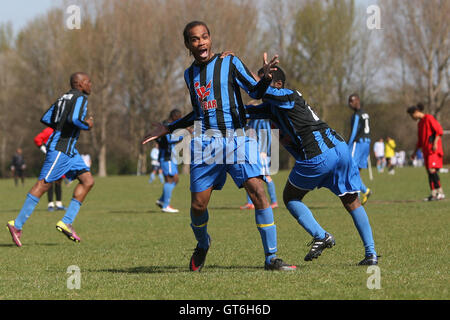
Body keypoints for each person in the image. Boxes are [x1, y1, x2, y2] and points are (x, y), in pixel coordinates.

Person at [142, 21, 295, 272]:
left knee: (258, 191)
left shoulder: (230, 62)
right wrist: (169, 127)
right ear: (188, 45)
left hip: (238, 138)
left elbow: (255, 90)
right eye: (194, 39)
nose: (200, 42)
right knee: (198, 205)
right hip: (205, 141)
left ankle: (271, 258)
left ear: (210, 39)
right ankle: (203, 243)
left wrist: (266, 78)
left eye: (204, 37)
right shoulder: (189, 74)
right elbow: (197, 112)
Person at [245, 66, 378, 265]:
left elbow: (259, 92)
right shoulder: (271, 107)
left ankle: (321, 235)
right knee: (351, 200)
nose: (258, 86)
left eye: (265, 81)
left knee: (290, 197)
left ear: (278, 84)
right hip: (339, 148)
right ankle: (371, 254)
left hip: (319, 154)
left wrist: (235, 62)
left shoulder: (289, 95)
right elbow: (243, 111)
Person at [6, 72, 95, 247]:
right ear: (80, 84)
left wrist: (61, 126)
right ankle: (16, 225)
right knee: (44, 184)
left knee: (88, 181)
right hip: (60, 149)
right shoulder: (80, 97)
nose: (91, 84)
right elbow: (75, 119)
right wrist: (88, 125)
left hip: (70, 151)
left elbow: (46, 118)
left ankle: (66, 222)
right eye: (88, 82)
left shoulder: (63, 97)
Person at [407, 104, 445, 201]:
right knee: (429, 171)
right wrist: (414, 152)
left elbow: (439, 131)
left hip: (433, 150)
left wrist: (435, 143)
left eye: (412, 116)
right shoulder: (420, 124)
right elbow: (420, 141)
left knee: (432, 170)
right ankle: (434, 194)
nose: (412, 118)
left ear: (415, 112)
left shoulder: (429, 118)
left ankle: (440, 192)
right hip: (426, 151)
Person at [155, 109, 184, 213]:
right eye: (179, 118)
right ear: (175, 117)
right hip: (166, 157)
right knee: (170, 180)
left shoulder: (167, 125)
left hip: (170, 157)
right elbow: (169, 139)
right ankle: (166, 206)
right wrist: (182, 136)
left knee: (175, 179)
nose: (180, 120)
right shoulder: (166, 125)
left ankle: (162, 200)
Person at [347, 94, 372, 205]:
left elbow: (353, 132)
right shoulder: (366, 114)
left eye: (351, 101)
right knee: (356, 171)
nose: (350, 104)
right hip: (367, 143)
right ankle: (364, 191)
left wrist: (348, 146)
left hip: (359, 143)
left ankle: (360, 193)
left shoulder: (357, 115)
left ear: (357, 101)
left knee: (350, 169)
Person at [33, 127, 65, 211]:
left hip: (59, 158)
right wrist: (44, 150)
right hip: (50, 159)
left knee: (58, 181)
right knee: (49, 182)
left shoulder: (62, 130)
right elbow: (37, 139)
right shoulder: (49, 130)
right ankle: (50, 204)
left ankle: (58, 204)